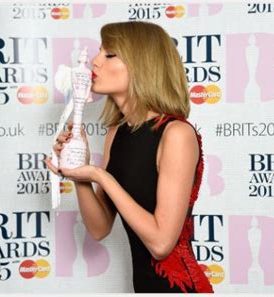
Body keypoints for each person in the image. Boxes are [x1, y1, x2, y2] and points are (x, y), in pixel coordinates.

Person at [46, 21, 214, 293]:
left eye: (109, 54)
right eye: (99, 52)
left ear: (142, 65)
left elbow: (161, 244)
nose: (96, 62)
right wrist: (79, 173)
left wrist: (100, 175)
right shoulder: (117, 132)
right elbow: (99, 228)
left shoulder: (177, 134)